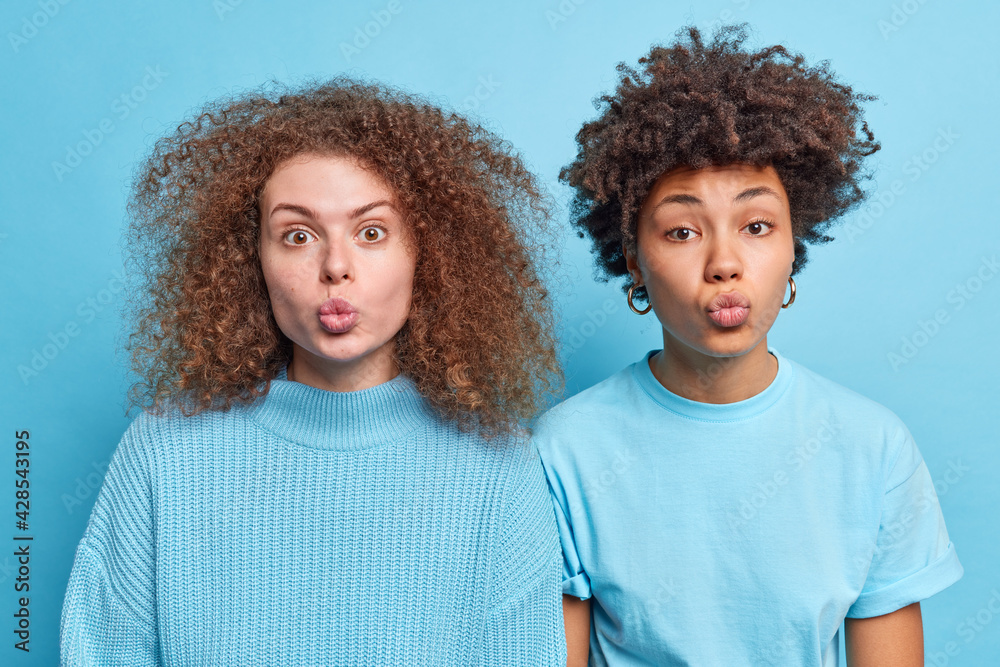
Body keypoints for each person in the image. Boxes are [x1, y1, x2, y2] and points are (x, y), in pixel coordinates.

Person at [60, 76, 566, 666]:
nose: (335, 267)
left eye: (371, 232)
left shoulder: (498, 467)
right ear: (251, 259)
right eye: (297, 235)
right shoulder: (163, 454)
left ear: (428, 252)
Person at [533, 24, 963, 666]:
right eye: (682, 231)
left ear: (795, 246)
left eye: (757, 226)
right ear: (633, 263)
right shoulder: (563, 451)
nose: (724, 263)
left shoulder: (874, 449)